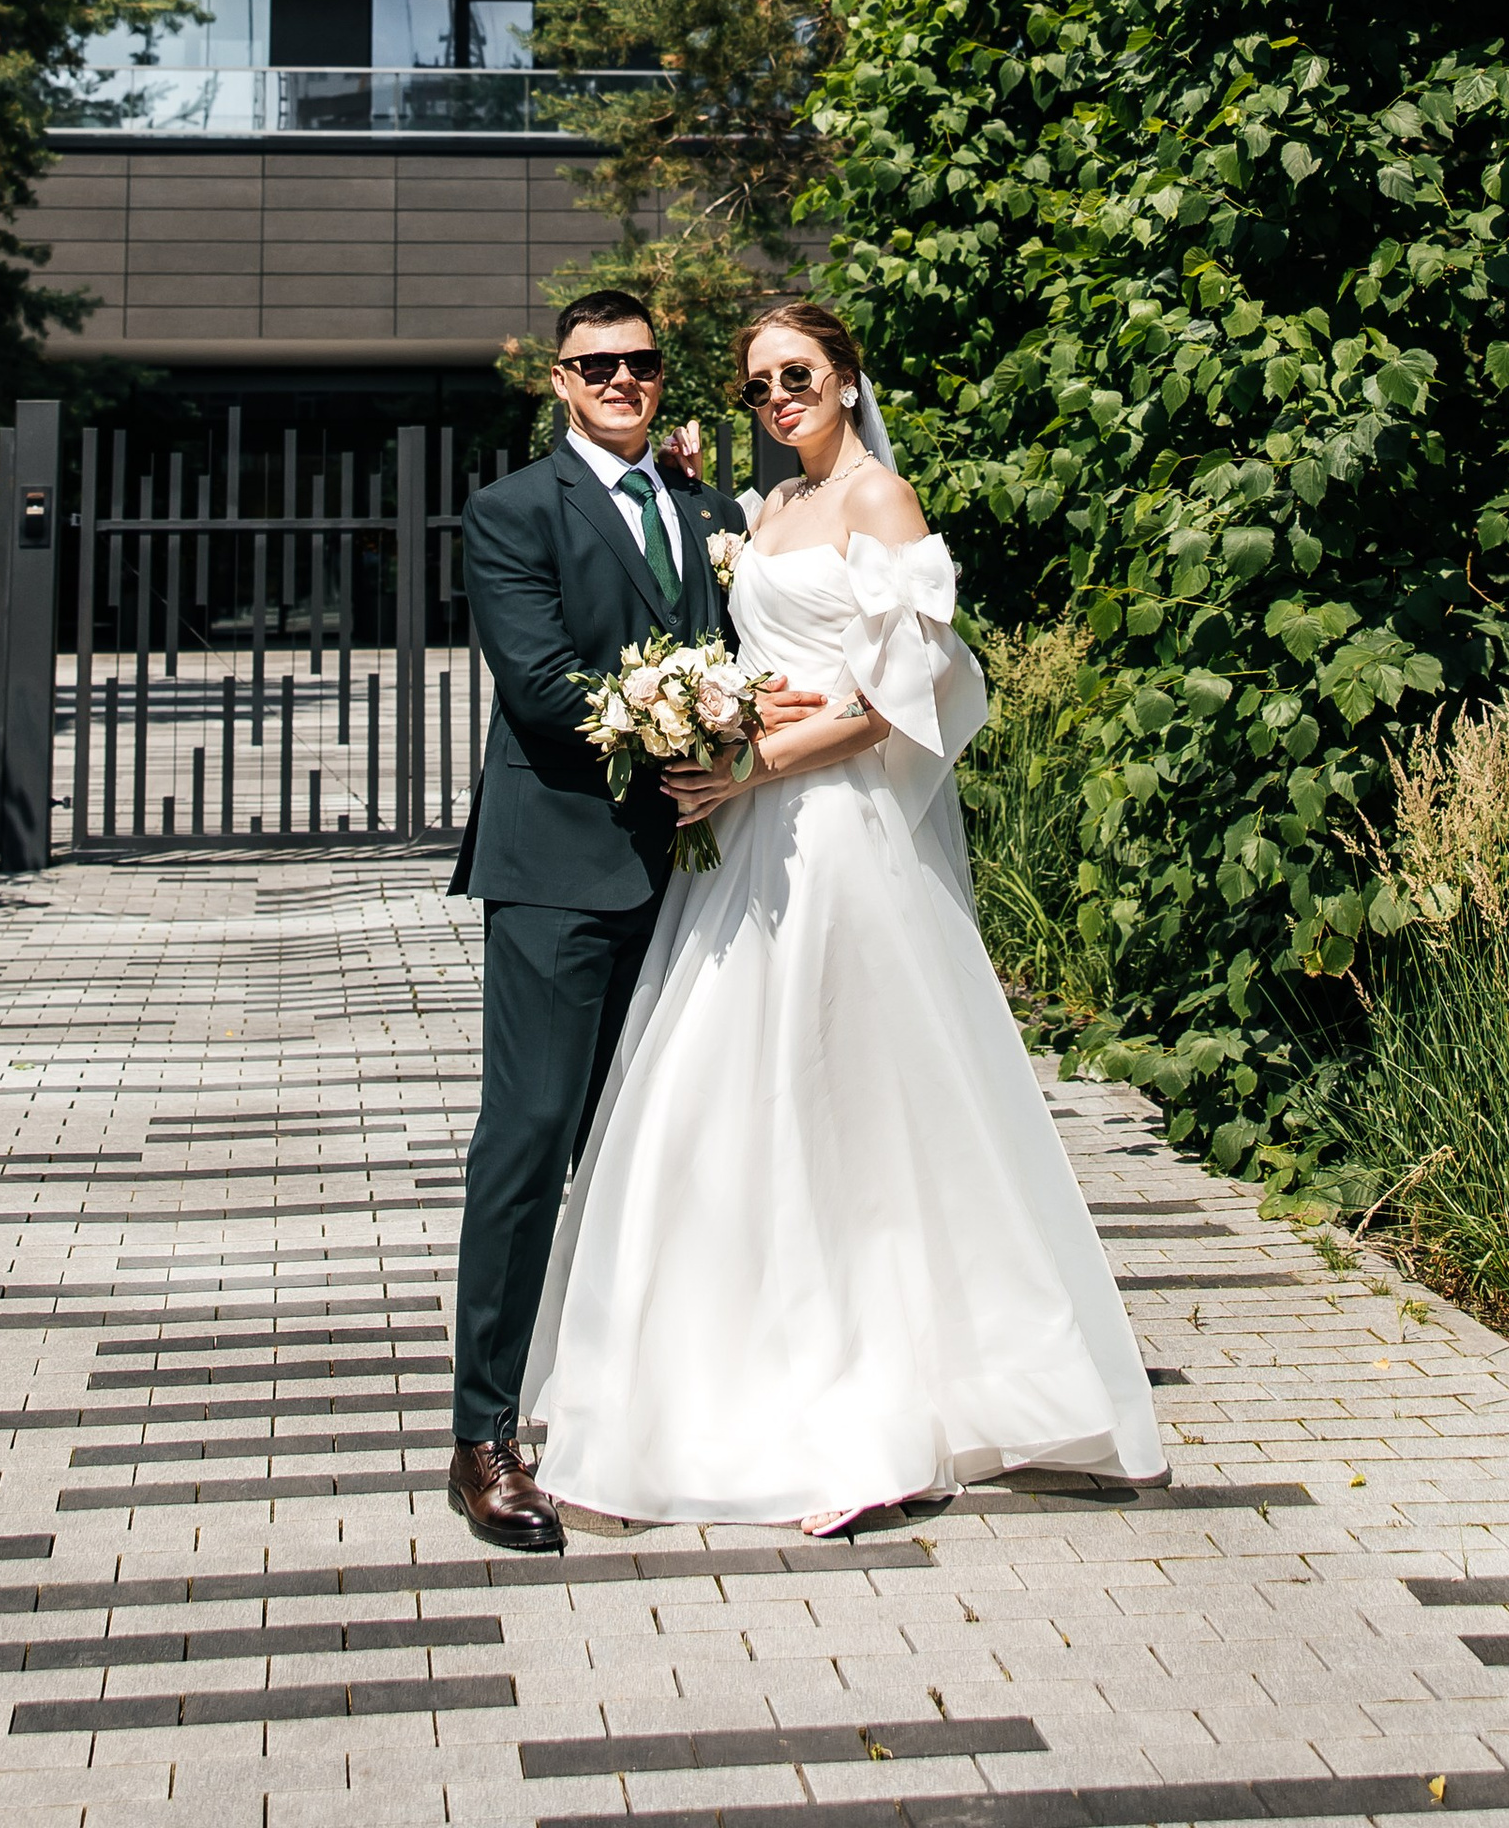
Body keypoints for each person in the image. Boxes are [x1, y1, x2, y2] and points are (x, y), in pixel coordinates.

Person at [521, 296, 1166, 1537]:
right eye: (760, 383)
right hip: (746, 845)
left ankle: (872, 1409)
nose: (779, 399)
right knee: (721, 1109)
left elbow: (895, 698)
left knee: (844, 1110)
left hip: (836, 846)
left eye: (797, 374)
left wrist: (757, 763)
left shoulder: (880, 500)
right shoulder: (762, 512)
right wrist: (719, 712)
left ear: (847, 376)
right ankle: (714, 1375)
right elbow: (742, 648)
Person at [446, 284, 809, 1553]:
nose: (621, 380)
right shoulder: (507, 514)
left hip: (706, 870)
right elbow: (544, 693)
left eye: (643, 362)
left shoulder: (709, 510)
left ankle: (650, 1402)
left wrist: (749, 733)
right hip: (559, 870)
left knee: (673, 1143)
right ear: (557, 379)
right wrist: (692, 718)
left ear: (664, 378)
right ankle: (482, 1433)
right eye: (596, 363)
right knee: (532, 1137)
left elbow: (757, 645)